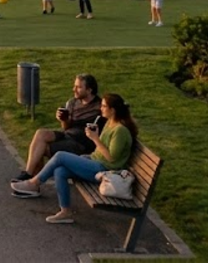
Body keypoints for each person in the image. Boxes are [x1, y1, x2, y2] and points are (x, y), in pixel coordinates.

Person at [11, 93, 139, 225]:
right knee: (60, 170)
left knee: (60, 156)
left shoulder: (120, 131)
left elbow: (111, 158)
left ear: (113, 110)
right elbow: (102, 151)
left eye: (104, 106)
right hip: (94, 162)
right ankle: (65, 211)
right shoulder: (110, 123)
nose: (101, 108)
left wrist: (95, 138)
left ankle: (34, 183)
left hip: (104, 171)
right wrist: (89, 154)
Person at [12, 74, 102, 181]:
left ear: (89, 90)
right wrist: (64, 120)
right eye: (74, 86)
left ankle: (32, 182)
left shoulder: (99, 107)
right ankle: (28, 173)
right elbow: (66, 127)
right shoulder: (72, 102)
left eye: (78, 87)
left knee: (42, 149)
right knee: (41, 133)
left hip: (80, 143)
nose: (74, 90)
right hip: (67, 135)